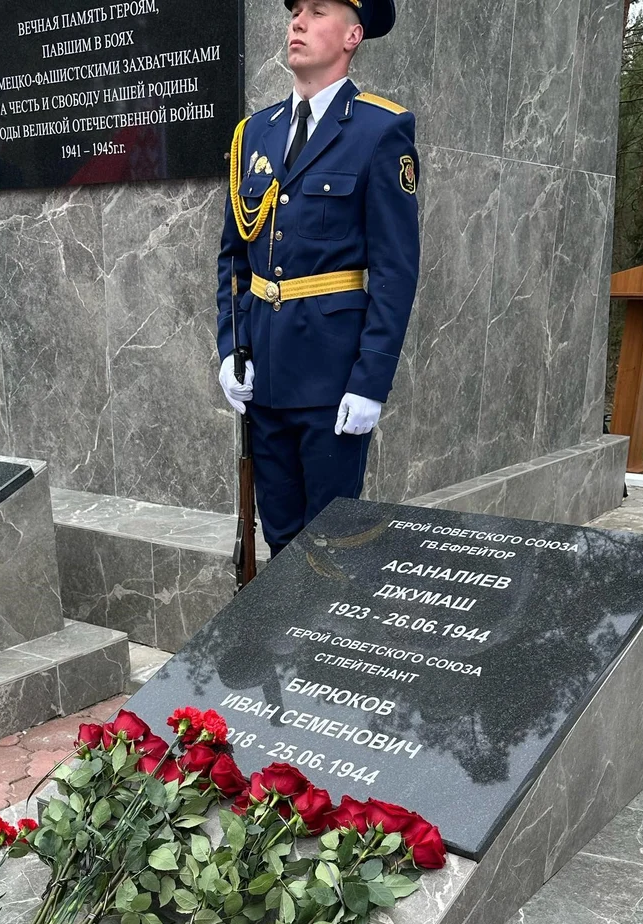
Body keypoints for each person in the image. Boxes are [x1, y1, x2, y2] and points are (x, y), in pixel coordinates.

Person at [216, 0, 420, 553]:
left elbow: (395, 271)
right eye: (296, 11)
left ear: (353, 36)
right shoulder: (254, 133)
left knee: (333, 547)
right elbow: (234, 259)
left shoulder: (380, 129)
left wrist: (370, 382)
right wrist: (232, 350)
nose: (298, 22)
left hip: (333, 379)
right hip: (264, 377)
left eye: (317, 11)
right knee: (280, 538)